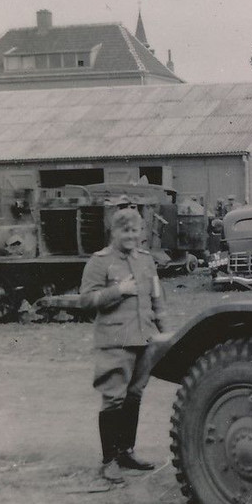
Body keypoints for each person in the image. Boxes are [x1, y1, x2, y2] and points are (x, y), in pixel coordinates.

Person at [79, 206, 168, 484]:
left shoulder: (146, 260)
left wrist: (165, 332)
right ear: (113, 232)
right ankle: (109, 460)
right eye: (125, 230)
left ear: (141, 232)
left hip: (144, 338)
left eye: (135, 230)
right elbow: (86, 300)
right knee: (114, 397)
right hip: (115, 341)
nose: (130, 236)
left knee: (135, 395)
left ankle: (126, 452)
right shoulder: (100, 262)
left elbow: (157, 298)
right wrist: (119, 290)